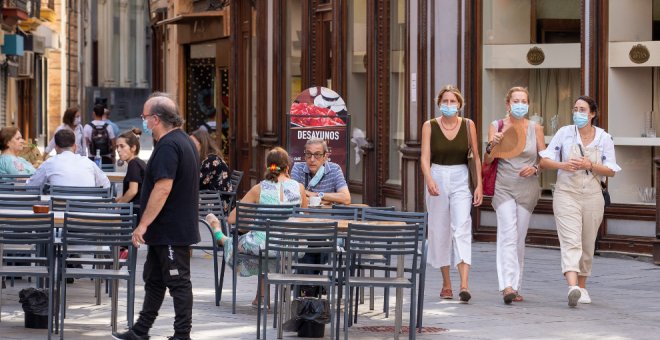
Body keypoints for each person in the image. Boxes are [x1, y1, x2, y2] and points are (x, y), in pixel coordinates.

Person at [112, 93, 200, 340]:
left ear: (156, 119)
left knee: (178, 281)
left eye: (144, 117)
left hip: (171, 229)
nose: (143, 121)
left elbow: (163, 188)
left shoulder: (170, 146)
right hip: (166, 230)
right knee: (154, 279)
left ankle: (182, 334)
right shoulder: (182, 141)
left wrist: (142, 224)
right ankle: (140, 331)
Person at [539, 95, 619, 307]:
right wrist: (563, 165)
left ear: (592, 114)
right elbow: (545, 160)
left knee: (586, 243)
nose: (578, 113)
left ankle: (582, 287)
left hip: (593, 196)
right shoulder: (564, 133)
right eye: (575, 109)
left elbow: (611, 170)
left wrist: (589, 164)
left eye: (582, 109)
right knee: (570, 240)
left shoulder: (604, 138)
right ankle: (572, 286)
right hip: (566, 193)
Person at [204, 147, 307, 307]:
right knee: (268, 244)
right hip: (291, 245)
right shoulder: (299, 188)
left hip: (262, 245)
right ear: (287, 167)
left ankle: (217, 233)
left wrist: (255, 223)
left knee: (241, 242)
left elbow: (231, 218)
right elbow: (303, 217)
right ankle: (261, 297)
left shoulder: (259, 189)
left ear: (268, 166)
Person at [483, 86, 545, 304]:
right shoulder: (496, 126)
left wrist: (535, 168)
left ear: (528, 104)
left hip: (527, 187)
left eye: (524, 101)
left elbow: (543, 158)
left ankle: (516, 286)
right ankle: (506, 285)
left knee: (519, 237)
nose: (520, 105)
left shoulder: (535, 128)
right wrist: (493, 144)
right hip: (504, 185)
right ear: (508, 104)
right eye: (516, 101)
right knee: (507, 234)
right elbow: (488, 160)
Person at [421, 85, 482, 303]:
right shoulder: (430, 125)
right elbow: (425, 157)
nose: (449, 105)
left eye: (453, 102)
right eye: (445, 101)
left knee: (462, 225)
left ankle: (464, 284)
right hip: (437, 173)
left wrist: (479, 185)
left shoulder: (468, 125)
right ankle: (446, 282)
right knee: (439, 229)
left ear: (460, 104)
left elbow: (475, 156)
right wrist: (429, 179)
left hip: (461, 176)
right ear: (439, 104)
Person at [27, 129, 110, 188]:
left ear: (56, 148)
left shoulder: (49, 163)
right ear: (75, 147)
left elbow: (31, 186)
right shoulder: (88, 163)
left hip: (59, 210)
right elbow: (106, 185)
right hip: (87, 210)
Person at [290, 138, 351, 205]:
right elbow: (292, 196)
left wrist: (317, 195)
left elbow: (346, 198)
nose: (312, 159)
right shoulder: (298, 168)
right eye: (308, 154)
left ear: (325, 157)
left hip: (327, 214)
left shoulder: (335, 169)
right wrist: (324, 201)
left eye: (317, 155)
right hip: (303, 214)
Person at [190, 128, 232, 212]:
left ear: (202, 143)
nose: (189, 145)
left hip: (217, 202)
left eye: (192, 142)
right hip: (212, 198)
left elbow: (196, 183)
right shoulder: (208, 158)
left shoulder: (211, 160)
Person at [114, 128, 147, 214]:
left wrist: (118, 205)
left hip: (135, 212)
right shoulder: (139, 162)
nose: (118, 150)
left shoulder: (133, 164)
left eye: (122, 146)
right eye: (117, 146)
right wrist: (118, 199)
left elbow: (133, 191)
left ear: (133, 148)